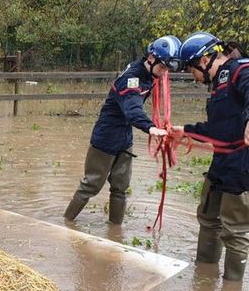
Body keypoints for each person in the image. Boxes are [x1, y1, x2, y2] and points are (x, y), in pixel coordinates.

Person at [64, 36, 179, 224]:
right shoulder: (131, 79)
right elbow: (132, 109)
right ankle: (66, 223)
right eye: (163, 67)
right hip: (106, 137)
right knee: (91, 185)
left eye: (167, 68)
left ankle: (115, 231)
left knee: (121, 187)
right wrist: (150, 127)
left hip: (125, 139)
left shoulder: (149, 75)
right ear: (151, 58)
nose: (164, 72)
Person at [171, 32, 249, 281]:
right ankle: (204, 275)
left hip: (242, 164)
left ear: (203, 61)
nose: (194, 79)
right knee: (208, 216)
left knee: (235, 229)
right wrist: (186, 131)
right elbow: (217, 129)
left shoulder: (240, 71)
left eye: (191, 70)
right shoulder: (219, 86)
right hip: (221, 161)